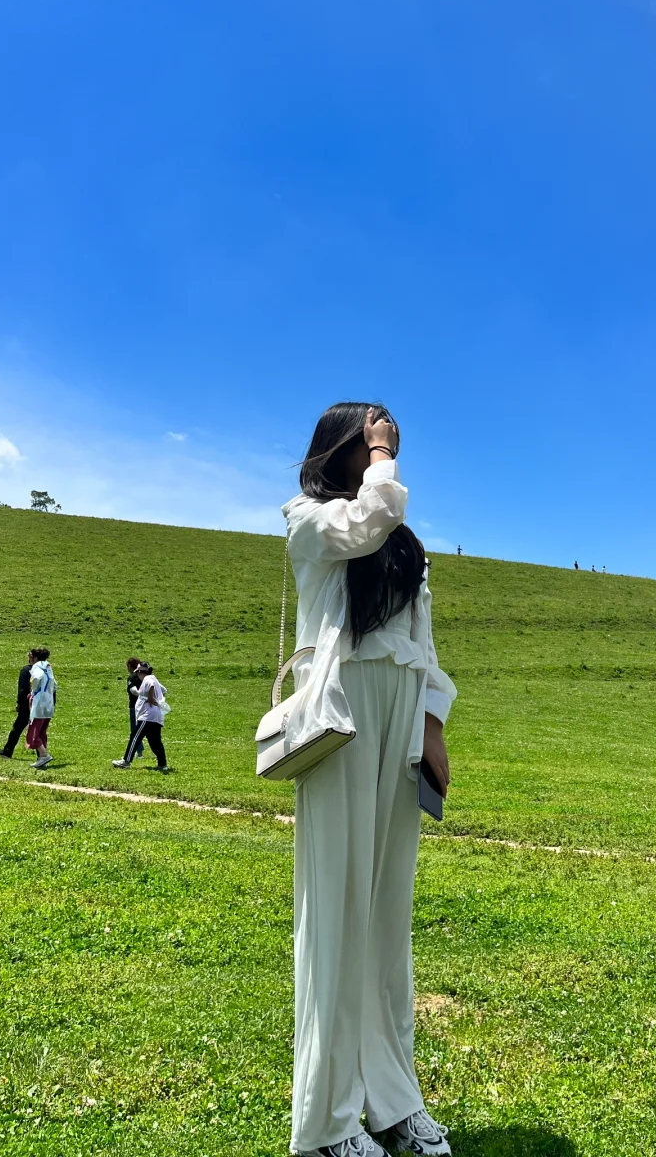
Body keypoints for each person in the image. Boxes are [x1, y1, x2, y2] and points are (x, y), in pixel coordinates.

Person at [283, 404, 456, 1157]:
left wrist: (433, 724)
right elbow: (366, 523)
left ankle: (391, 1100)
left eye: (389, 435)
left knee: (387, 916)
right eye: (372, 433)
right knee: (337, 912)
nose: (386, 442)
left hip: (397, 717)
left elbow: (422, 639)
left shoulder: (403, 537)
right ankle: (325, 1123)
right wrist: (385, 465)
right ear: (344, 446)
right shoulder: (309, 520)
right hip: (342, 709)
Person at [112, 663, 170, 771]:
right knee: (155, 741)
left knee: (135, 737)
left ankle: (126, 761)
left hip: (147, 716)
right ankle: (162, 764)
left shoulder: (148, 679)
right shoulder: (153, 678)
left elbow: (151, 685)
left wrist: (151, 697)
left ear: (140, 672)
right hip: (156, 716)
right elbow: (163, 690)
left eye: (138, 673)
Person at [0, 649, 42, 758]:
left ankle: (8, 751)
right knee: (38, 730)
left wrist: (19, 703)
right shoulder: (44, 671)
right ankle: (41, 754)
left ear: (32, 658)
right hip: (41, 703)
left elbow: (23, 689)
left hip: (27, 704)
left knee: (17, 728)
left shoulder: (26, 670)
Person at [25, 649, 56, 769]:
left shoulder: (37, 667)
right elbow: (55, 685)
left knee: (33, 733)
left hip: (39, 703)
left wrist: (34, 690)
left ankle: (44, 755)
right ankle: (42, 758)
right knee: (42, 732)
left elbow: (37, 678)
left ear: (35, 658)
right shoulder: (48, 667)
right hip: (48, 703)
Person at [124, 656, 145, 760]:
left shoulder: (132, 677)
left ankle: (139, 753)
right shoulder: (144, 676)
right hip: (146, 706)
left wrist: (141, 694)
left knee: (135, 730)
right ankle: (140, 751)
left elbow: (133, 690)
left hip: (135, 707)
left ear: (129, 666)